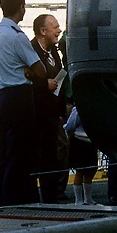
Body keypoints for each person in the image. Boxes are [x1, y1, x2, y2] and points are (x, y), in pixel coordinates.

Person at [0, 0, 55, 207]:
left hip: (1, 99)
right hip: (20, 98)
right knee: (22, 153)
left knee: (5, 152)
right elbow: (41, 71)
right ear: (21, 8)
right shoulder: (18, 37)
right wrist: (28, 70)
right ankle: (17, 200)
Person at [30, 14, 66, 203]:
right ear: (43, 31)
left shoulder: (54, 52)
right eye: (55, 27)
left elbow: (59, 78)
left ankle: (53, 195)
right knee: (36, 158)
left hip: (52, 115)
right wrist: (44, 85)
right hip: (36, 115)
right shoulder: (30, 50)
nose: (59, 30)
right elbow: (24, 81)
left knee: (53, 157)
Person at [63, 104, 99, 205]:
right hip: (80, 141)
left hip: (90, 142)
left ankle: (88, 198)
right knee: (80, 171)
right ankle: (78, 199)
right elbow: (70, 125)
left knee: (90, 170)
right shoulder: (78, 109)